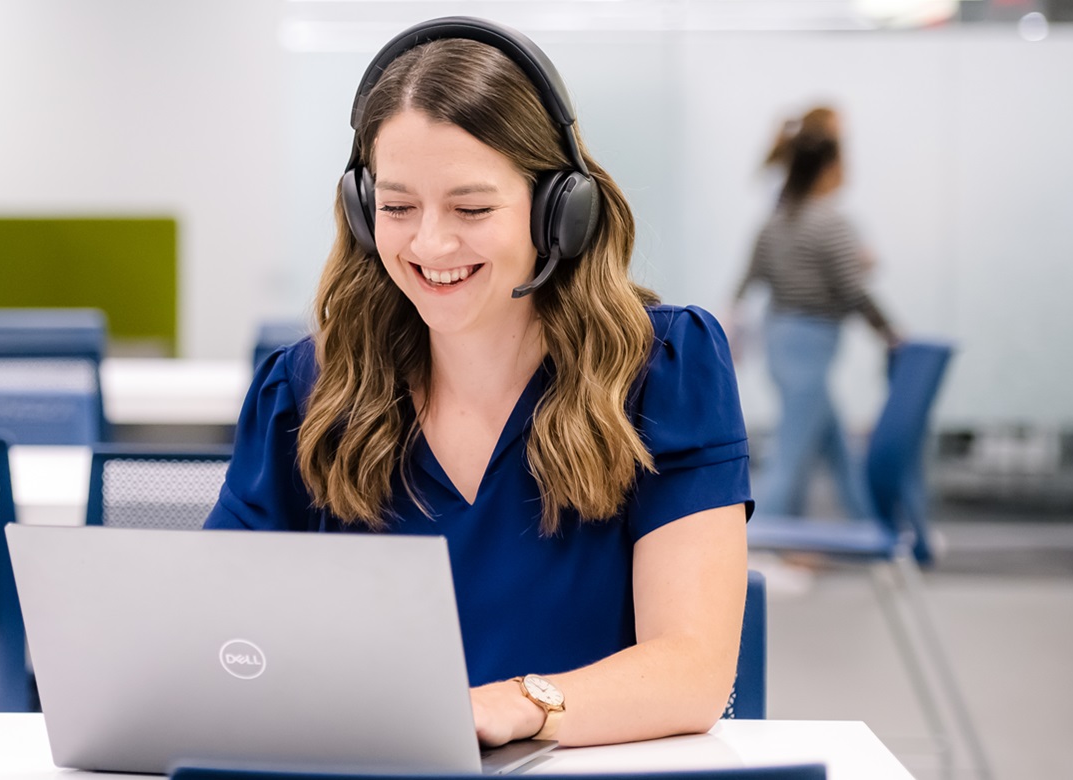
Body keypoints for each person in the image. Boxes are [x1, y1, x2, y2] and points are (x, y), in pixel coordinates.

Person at [205, 19, 751, 749]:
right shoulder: (305, 392)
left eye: (471, 209)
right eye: (397, 208)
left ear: (561, 213)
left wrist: (513, 707)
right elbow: (215, 643)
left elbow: (692, 672)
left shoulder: (663, 371)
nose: (430, 244)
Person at [734, 116, 898, 520]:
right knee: (789, 454)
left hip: (781, 340)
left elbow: (750, 278)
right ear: (829, 168)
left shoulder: (776, 221)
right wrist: (891, 332)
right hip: (810, 344)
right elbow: (852, 289)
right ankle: (763, 541)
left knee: (836, 446)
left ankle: (870, 528)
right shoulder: (832, 222)